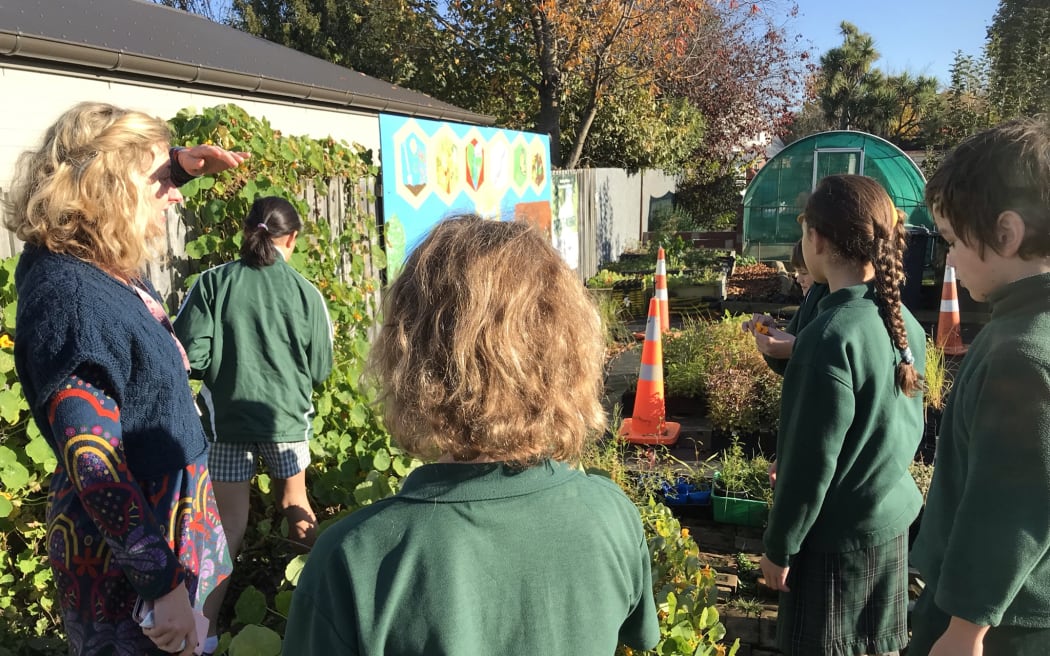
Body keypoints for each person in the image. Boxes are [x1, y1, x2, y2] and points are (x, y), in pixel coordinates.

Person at [284, 215, 660, 655]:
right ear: (566, 350)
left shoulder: (353, 559)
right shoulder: (612, 516)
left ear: (411, 353)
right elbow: (639, 634)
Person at [7, 102, 249, 655]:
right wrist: (160, 583)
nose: (176, 194)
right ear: (108, 186)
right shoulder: (70, 299)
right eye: (160, 180)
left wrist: (176, 165)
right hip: (129, 565)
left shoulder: (95, 265)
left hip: (162, 539)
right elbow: (93, 461)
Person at [759, 174, 926, 656]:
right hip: (888, 526)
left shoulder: (829, 335)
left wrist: (778, 547)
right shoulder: (902, 322)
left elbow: (809, 465)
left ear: (818, 238)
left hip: (835, 547)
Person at [909, 117, 1050, 656]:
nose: (947, 258)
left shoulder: (1021, 353)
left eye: (951, 240)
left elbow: (1009, 503)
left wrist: (967, 626)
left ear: (1006, 234)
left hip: (998, 621)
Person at [172, 196, 333, 651]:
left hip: (227, 425)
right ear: (292, 238)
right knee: (296, 509)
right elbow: (320, 368)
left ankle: (201, 634)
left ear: (246, 231)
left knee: (225, 527)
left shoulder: (211, 283)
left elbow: (190, 356)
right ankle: (324, 613)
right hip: (286, 423)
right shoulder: (307, 292)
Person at [742, 239, 830, 373]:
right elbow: (785, 365)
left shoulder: (830, 306)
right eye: (797, 272)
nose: (798, 279)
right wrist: (770, 333)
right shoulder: (810, 301)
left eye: (804, 272)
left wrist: (795, 349)